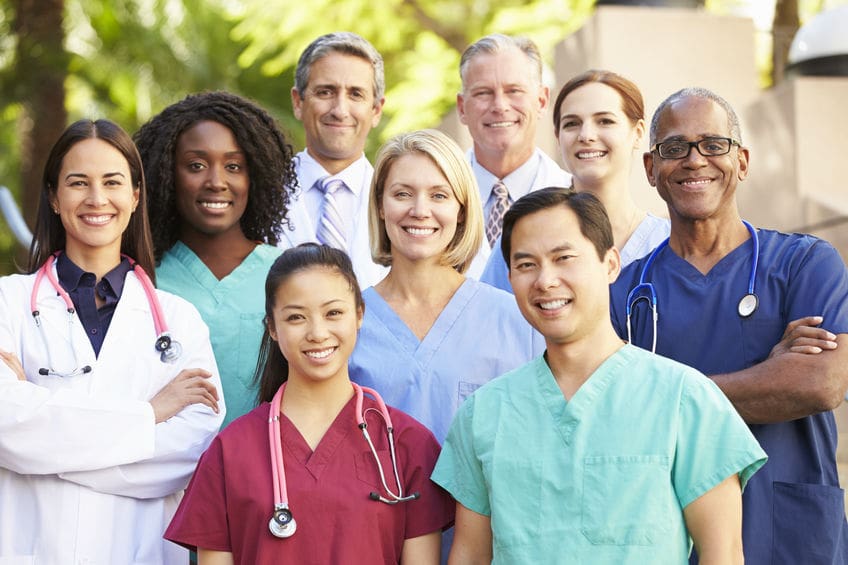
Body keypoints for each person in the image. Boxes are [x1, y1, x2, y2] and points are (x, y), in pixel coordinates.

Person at [432, 187, 767, 564]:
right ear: (509, 277)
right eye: (526, 264)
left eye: (564, 258)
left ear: (610, 264)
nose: (545, 280)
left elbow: (722, 555)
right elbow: (470, 556)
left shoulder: (685, 399)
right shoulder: (484, 414)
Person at [609, 88, 848, 563]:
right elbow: (615, 420)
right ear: (651, 169)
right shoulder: (624, 294)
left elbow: (822, 383)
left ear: (741, 161)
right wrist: (770, 373)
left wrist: (659, 396)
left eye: (713, 144)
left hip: (793, 534)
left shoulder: (804, 263)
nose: (695, 160)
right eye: (674, 148)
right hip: (674, 538)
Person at [0, 119, 224, 563]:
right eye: (78, 183)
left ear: (135, 195)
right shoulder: (8, 303)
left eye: (112, 182)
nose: (97, 199)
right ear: (53, 196)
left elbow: (186, 457)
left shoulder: (180, 321)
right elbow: (5, 428)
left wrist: (42, 441)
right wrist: (150, 414)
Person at [165, 243, 453, 564]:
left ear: (359, 315)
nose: (317, 332)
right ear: (272, 328)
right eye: (296, 317)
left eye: (333, 313)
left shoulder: (407, 445)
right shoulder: (230, 452)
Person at [348, 129, 544, 445]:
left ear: (462, 210)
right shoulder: (348, 323)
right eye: (402, 194)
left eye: (439, 195)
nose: (420, 210)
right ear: (381, 206)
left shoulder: (517, 322)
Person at [135, 91, 295, 426]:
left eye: (234, 166)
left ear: (255, 176)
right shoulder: (141, 278)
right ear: (165, 172)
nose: (216, 182)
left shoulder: (289, 275)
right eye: (196, 165)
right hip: (163, 473)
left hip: (263, 472)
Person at [481, 70, 670, 291]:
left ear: (638, 133)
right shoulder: (522, 235)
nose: (586, 135)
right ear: (557, 136)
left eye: (605, 121)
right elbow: (485, 318)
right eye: (572, 124)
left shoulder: (668, 242)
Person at [279, 32, 388, 287]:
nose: (340, 110)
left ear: (376, 110)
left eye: (356, 94)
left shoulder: (399, 202)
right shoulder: (260, 194)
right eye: (325, 92)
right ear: (298, 102)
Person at [457, 33, 571, 277]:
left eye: (514, 91)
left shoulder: (573, 194)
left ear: (541, 101)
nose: (499, 105)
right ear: (461, 108)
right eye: (483, 93)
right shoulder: (436, 197)